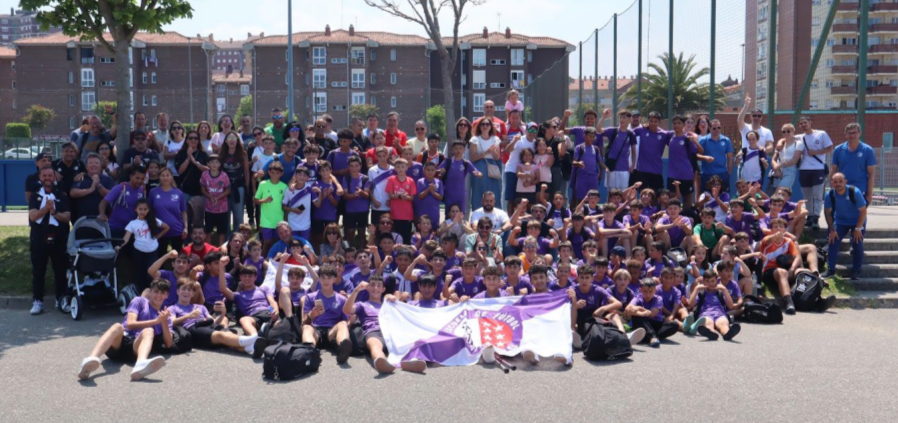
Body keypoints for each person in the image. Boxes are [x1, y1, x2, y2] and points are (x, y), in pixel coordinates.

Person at [76, 279, 174, 381]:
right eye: (156, 291)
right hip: (119, 344)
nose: (158, 295)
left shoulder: (166, 316)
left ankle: (140, 365)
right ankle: (91, 359)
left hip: (135, 349)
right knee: (117, 326)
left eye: (162, 293)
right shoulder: (139, 301)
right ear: (151, 292)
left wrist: (163, 322)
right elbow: (130, 324)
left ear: (167, 295)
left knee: (149, 330)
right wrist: (156, 321)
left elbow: (169, 343)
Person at [168, 278, 259, 355]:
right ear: (178, 291)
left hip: (208, 327)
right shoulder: (172, 308)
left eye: (189, 290)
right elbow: (172, 322)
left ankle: (252, 347)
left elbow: (213, 322)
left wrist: (223, 313)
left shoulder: (200, 307)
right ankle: (254, 339)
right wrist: (188, 316)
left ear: (193, 293)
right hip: (194, 329)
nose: (186, 292)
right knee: (221, 335)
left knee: (227, 334)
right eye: (183, 289)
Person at [28, 166, 72, 315]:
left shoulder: (62, 195)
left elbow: (67, 218)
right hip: (39, 238)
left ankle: (61, 300)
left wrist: (54, 211)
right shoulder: (35, 196)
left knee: (60, 270)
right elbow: (33, 217)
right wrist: (45, 209)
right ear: (40, 178)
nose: (47, 178)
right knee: (38, 271)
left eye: (50, 176)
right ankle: (38, 301)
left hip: (59, 238)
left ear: (55, 178)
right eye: (45, 176)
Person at [302, 264, 353, 364]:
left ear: (334, 279)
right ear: (319, 279)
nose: (326, 281)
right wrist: (311, 315)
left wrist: (348, 323)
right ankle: (310, 352)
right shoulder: (310, 297)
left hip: (332, 332)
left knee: (342, 323)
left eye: (329, 278)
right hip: (316, 330)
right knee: (307, 328)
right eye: (323, 278)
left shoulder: (342, 299)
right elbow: (304, 322)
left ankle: (342, 349)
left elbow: (346, 321)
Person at [823, 173, 867, 281]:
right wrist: (832, 230)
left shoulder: (854, 192)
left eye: (840, 181)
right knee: (832, 241)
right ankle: (831, 270)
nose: (838, 184)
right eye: (835, 182)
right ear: (832, 183)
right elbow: (827, 213)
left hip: (857, 221)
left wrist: (858, 229)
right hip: (840, 222)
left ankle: (856, 271)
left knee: (857, 243)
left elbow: (863, 211)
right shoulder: (830, 194)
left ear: (845, 182)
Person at [120, 199, 169, 292]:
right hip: (138, 251)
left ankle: (152, 293)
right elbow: (126, 238)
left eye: (145, 209)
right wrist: (119, 246)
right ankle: (140, 294)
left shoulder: (154, 220)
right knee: (139, 273)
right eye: (140, 209)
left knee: (151, 273)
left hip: (152, 251)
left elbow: (166, 227)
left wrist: (158, 237)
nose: (142, 211)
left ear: (149, 210)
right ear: (136, 209)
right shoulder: (132, 223)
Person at [796, 116, 834, 230]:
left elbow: (830, 148)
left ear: (810, 122)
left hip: (818, 169)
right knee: (807, 196)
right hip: (804, 170)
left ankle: (816, 218)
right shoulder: (799, 137)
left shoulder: (821, 134)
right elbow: (786, 139)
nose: (803, 124)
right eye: (801, 123)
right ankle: (810, 216)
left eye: (805, 122)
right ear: (799, 126)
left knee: (817, 195)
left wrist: (816, 152)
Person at [686, 268, 741, 341]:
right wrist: (696, 289)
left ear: (716, 281)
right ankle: (711, 333)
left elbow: (731, 306)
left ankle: (727, 333)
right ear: (703, 281)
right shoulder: (701, 292)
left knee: (723, 323)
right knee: (708, 323)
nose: (710, 284)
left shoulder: (720, 292)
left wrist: (724, 290)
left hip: (720, 314)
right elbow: (690, 304)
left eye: (712, 281)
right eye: (707, 281)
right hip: (706, 314)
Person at [831, 122, 876, 206]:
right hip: (842, 188)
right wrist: (832, 189)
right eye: (849, 133)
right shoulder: (838, 150)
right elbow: (834, 170)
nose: (852, 136)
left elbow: (871, 174)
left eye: (854, 133)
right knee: (842, 215)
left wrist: (869, 194)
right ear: (846, 134)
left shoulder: (868, 150)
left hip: (860, 188)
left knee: (859, 217)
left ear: (860, 133)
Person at [626, 278, 679, 347]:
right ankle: (652, 337)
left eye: (651, 291)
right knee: (637, 316)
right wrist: (640, 311)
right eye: (645, 291)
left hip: (656, 323)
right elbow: (628, 309)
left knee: (674, 325)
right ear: (640, 290)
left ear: (655, 290)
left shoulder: (658, 299)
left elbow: (651, 314)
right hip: (643, 324)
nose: (648, 294)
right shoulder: (637, 298)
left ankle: (645, 338)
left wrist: (636, 310)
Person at [174, 130, 210, 228]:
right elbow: (179, 171)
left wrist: (194, 161)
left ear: (198, 140)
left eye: (196, 138)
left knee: (198, 217)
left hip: (200, 191)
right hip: (185, 190)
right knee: (185, 216)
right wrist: (188, 157)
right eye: (190, 138)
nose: (193, 140)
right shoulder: (181, 153)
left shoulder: (203, 154)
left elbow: (207, 170)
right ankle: (186, 239)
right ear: (186, 140)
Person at [99, 165, 146, 237]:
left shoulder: (142, 190)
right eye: (137, 178)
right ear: (131, 176)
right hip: (116, 228)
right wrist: (102, 214)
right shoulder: (121, 187)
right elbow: (103, 202)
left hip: (132, 230)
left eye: (142, 179)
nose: (140, 181)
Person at [438, 140, 483, 215]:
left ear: (464, 150)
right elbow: (437, 172)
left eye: (460, 148)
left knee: (460, 215)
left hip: (460, 194)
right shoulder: (447, 162)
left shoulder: (466, 163)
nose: (458, 150)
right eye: (456, 148)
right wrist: (440, 172)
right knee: (449, 214)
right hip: (449, 193)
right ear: (452, 149)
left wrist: (479, 174)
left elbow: (478, 173)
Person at [632, 112, 673, 192]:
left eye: (655, 121)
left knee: (656, 196)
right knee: (643, 195)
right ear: (648, 121)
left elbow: (675, 144)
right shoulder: (641, 130)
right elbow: (628, 133)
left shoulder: (664, 134)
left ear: (659, 122)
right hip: (642, 171)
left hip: (656, 171)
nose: (653, 123)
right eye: (651, 121)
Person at [219, 130, 250, 233]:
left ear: (237, 140)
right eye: (229, 139)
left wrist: (247, 186)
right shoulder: (222, 153)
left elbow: (246, 171)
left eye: (234, 138)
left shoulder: (243, 153)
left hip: (238, 186)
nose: (232, 141)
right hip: (224, 188)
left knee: (238, 214)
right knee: (225, 213)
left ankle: (239, 236)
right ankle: (227, 237)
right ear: (226, 141)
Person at [69, 153, 114, 223]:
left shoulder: (108, 179)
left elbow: (111, 196)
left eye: (96, 163)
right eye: (90, 163)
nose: (93, 165)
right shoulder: (80, 178)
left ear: (100, 166)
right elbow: (73, 193)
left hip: (103, 220)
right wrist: (90, 190)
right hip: (81, 220)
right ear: (86, 166)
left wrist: (99, 186)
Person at [469, 118, 503, 212]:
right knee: (479, 192)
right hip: (479, 167)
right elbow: (473, 157)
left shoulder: (495, 139)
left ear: (490, 126)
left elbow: (497, 158)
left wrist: (493, 152)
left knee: (495, 192)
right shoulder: (475, 139)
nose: (485, 126)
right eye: (483, 124)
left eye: (487, 124)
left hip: (493, 168)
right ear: (479, 126)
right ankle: (478, 214)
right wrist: (486, 152)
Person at [255, 161, 288, 253]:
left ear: (282, 174)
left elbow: (285, 205)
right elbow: (255, 200)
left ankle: (276, 262)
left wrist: (285, 219)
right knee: (267, 243)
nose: (274, 175)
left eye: (277, 173)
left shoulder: (284, 186)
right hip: (266, 221)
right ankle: (263, 261)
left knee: (278, 243)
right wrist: (264, 200)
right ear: (269, 173)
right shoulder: (263, 184)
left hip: (279, 220)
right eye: (272, 172)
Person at [601, 110, 638, 190]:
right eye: (620, 117)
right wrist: (604, 116)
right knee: (611, 194)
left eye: (624, 118)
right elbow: (598, 130)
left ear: (629, 119)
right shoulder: (612, 131)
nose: (621, 120)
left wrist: (633, 164)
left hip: (624, 168)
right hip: (612, 168)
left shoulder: (631, 134)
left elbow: (634, 151)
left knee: (624, 193)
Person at [504, 122, 538, 210]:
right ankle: (510, 220)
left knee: (527, 199)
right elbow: (507, 151)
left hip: (527, 173)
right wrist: (514, 141)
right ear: (526, 130)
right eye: (530, 130)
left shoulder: (536, 143)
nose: (532, 132)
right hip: (512, 170)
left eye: (535, 130)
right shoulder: (519, 140)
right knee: (512, 198)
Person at [200, 155, 231, 247]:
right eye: (212, 162)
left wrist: (219, 197)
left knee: (221, 231)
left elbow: (228, 189)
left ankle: (221, 249)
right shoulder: (205, 174)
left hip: (222, 208)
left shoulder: (224, 175)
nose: (214, 164)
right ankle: (208, 248)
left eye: (217, 162)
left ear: (220, 164)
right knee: (208, 230)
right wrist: (210, 196)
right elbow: (203, 189)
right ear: (208, 164)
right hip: (209, 208)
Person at [385, 158, 416, 243]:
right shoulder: (391, 179)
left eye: (403, 167)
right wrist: (399, 196)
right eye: (398, 167)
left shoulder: (411, 181)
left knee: (406, 238)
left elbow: (412, 197)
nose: (400, 169)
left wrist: (406, 197)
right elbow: (391, 195)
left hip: (407, 215)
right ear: (395, 168)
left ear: (407, 168)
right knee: (396, 237)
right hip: (395, 215)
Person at [698, 119, 734, 192]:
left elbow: (730, 158)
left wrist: (728, 173)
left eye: (719, 128)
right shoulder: (704, 140)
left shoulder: (726, 140)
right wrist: (705, 157)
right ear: (710, 128)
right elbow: (696, 155)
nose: (717, 130)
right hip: (707, 174)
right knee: (707, 198)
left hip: (722, 174)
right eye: (714, 128)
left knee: (724, 197)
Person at [771, 124, 800, 190]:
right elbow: (773, 159)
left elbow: (794, 160)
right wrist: (777, 168)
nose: (786, 133)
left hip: (790, 170)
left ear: (793, 131)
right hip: (778, 171)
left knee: (780, 190)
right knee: (782, 194)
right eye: (784, 132)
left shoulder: (797, 143)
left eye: (788, 131)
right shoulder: (780, 144)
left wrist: (780, 166)